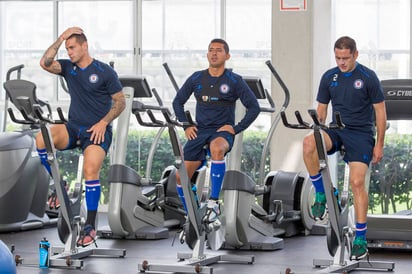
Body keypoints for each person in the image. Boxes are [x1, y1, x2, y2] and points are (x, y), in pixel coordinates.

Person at [37, 26, 126, 247]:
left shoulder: (105, 71)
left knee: (90, 170)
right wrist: (61, 38)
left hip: (97, 131)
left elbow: (120, 102)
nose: (69, 52)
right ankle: (60, 186)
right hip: (73, 127)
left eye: (72, 47)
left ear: (85, 46)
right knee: (42, 138)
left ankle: (91, 225)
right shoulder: (68, 68)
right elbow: (44, 62)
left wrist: (103, 123)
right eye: (67, 49)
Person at [303, 36, 386, 260]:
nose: (342, 62)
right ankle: (321, 193)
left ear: (355, 55)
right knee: (309, 142)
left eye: (346, 58)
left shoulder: (368, 77)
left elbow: (380, 112)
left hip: (361, 134)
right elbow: (321, 110)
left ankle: (360, 237)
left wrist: (379, 144)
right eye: (338, 58)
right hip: (337, 130)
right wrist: (317, 125)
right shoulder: (329, 77)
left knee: (357, 183)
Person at [172, 38, 260, 224]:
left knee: (217, 148)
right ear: (207, 55)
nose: (214, 53)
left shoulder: (235, 80)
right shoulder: (196, 78)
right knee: (180, 176)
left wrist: (235, 129)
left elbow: (254, 107)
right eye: (211, 50)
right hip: (200, 130)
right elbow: (177, 102)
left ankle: (213, 202)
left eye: (219, 50)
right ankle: (191, 214)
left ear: (227, 56)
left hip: (222, 132)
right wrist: (186, 125)